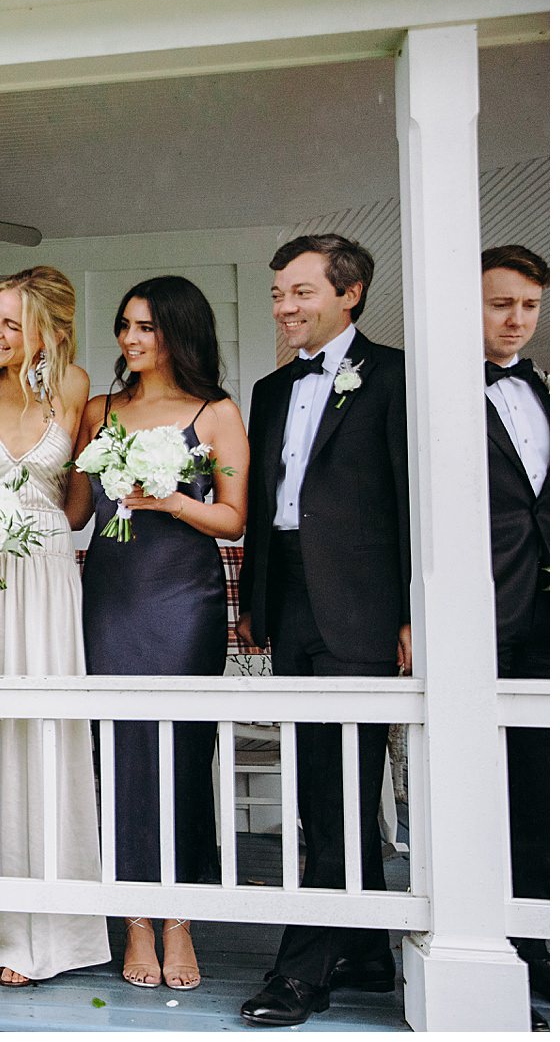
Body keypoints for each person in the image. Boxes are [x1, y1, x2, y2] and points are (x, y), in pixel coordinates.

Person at [236, 235, 410, 1027]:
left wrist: (412, 611)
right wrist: (254, 606)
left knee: (339, 783)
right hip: (292, 606)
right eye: (276, 293)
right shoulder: (271, 389)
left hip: (366, 608)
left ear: (352, 293)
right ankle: (368, 945)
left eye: (299, 291)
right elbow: (273, 511)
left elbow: (415, 501)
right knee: (320, 786)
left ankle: (301, 971)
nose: (284, 307)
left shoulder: (399, 377)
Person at [66, 275, 249, 991]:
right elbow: (77, 508)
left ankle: (179, 916)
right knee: (119, 747)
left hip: (184, 594)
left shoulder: (214, 411)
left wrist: (171, 498)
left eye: (145, 327)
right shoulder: (100, 409)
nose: (130, 339)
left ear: (178, 331)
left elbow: (234, 516)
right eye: (124, 326)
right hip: (112, 589)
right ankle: (134, 919)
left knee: (179, 745)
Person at [0, 267, 109, 989]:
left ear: (52, 333)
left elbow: (73, 506)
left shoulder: (75, 387)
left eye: (12, 324)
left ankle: (44, 931)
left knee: (45, 734)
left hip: (46, 579)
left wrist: (36, 535)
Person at [478, 245, 549, 1014]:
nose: (516, 319)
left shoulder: (541, 389)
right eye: (501, 303)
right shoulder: (433, 390)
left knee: (538, 785)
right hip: (478, 610)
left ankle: (538, 949)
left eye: (528, 306)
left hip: (542, 615)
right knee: (479, 787)